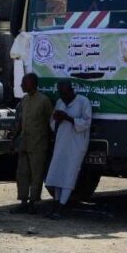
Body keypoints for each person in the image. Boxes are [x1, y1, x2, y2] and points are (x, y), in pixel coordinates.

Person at [44, 80, 93, 219]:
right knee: (57, 173)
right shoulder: (60, 102)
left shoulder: (83, 102)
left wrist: (67, 118)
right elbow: (52, 124)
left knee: (68, 175)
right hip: (61, 142)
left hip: (76, 145)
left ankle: (61, 207)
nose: (62, 96)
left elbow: (86, 123)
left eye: (64, 92)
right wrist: (57, 120)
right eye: (60, 93)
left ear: (71, 90)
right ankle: (55, 204)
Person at [12, 72, 55, 213]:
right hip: (24, 142)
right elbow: (20, 121)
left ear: (33, 83)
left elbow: (52, 122)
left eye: (24, 82)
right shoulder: (24, 100)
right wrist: (14, 138)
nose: (22, 85)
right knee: (22, 173)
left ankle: (33, 202)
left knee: (36, 174)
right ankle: (23, 201)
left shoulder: (44, 101)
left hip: (38, 144)